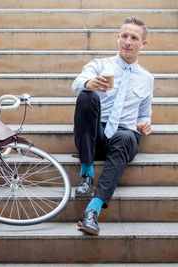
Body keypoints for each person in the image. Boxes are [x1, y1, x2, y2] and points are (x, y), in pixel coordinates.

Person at [71, 16, 153, 235]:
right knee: (87, 96)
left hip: (123, 136)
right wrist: (89, 83)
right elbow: (76, 84)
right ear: (118, 38)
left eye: (134, 38)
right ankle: (86, 174)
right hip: (95, 134)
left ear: (142, 44)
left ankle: (92, 211)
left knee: (127, 136)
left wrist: (146, 123)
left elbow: (145, 113)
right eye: (124, 36)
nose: (127, 41)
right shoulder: (100, 65)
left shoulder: (147, 78)